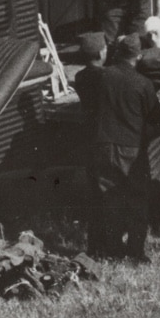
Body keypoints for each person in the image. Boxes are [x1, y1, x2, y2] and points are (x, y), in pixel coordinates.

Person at [82, 34, 160, 262]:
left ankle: (111, 249)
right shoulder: (143, 83)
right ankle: (136, 251)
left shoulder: (102, 77)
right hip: (131, 148)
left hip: (104, 145)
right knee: (137, 199)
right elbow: (156, 115)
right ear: (138, 55)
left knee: (109, 198)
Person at [72, 32, 110, 259]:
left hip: (89, 138)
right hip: (104, 137)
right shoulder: (106, 77)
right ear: (102, 52)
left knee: (95, 194)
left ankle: (95, 245)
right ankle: (107, 244)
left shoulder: (80, 76)